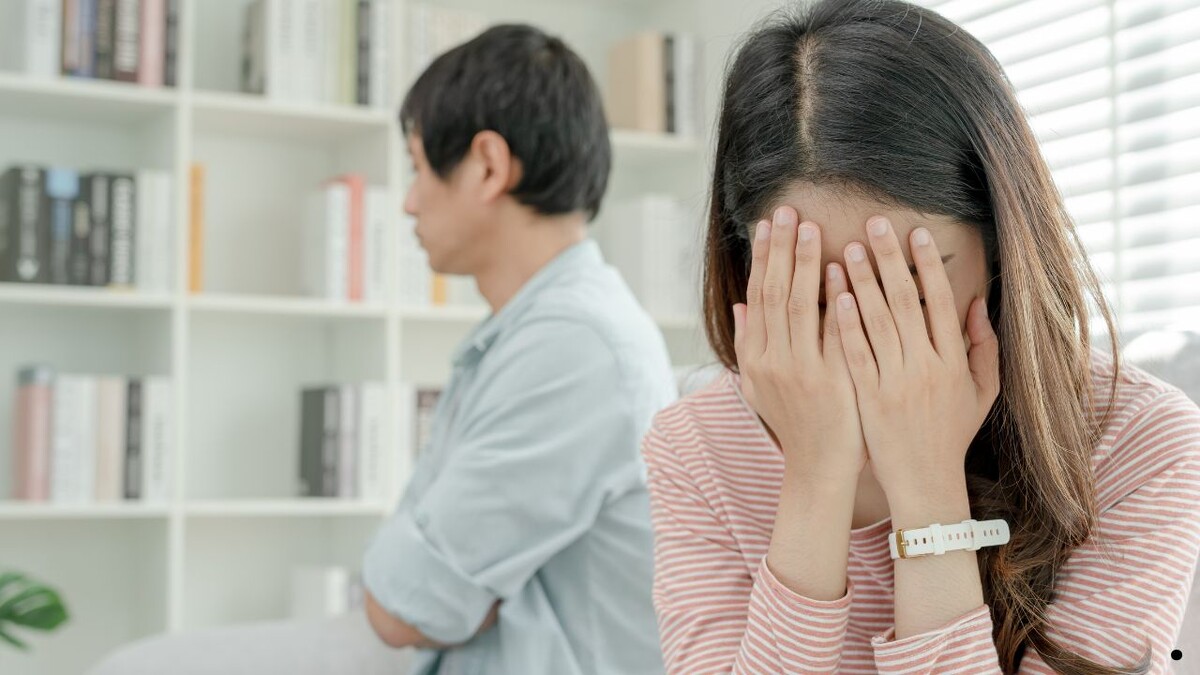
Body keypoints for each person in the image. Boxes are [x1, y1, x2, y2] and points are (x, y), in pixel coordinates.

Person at [642, 1, 1200, 673]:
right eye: (812, 292)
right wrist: (815, 480)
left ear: (1000, 244)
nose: (863, 333)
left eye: (906, 280)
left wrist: (927, 487)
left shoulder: (1139, 443)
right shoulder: (697, 448)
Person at [361, 23, 674, 675]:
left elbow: (401, 608)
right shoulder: (529, 334)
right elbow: (409, 589)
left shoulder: (574, 348)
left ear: (487, 165)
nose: (410, 203)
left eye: (418, 168)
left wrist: (448, 592)